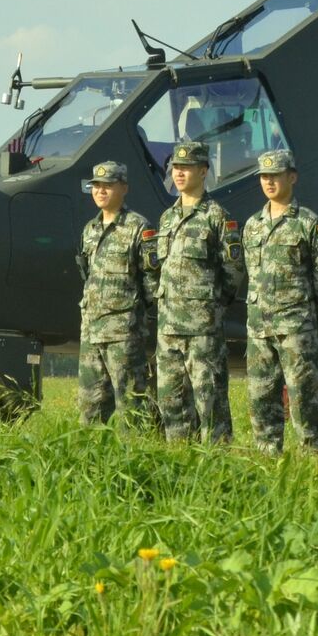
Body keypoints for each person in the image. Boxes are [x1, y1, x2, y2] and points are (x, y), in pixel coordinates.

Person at [242, 148, 318, 455]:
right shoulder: (252, 225)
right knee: (261, 397)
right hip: (259, 327)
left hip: (295, 327)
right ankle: (268, 457)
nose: (269, 182)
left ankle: (314, 458)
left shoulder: (309, 223)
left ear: (292, 177)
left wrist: (303, 302)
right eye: (264, 177)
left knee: (304, 397)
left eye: (276, 176)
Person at [154, 140, 245, 442]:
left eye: (186, 168)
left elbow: (233, 270)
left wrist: (213, 308)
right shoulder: (167, 218)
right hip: (169, 330)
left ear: (203, 170)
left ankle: (217, 466)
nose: (179, 173)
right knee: (172, 402)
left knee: (211, 403)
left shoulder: (217, 216)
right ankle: (180, 461)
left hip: (202, 329)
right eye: (175, 168)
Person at [75, 159, 157, 432]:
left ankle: (136, 457)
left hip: (124, 332)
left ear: (124, 188)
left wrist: (137, 317)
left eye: (108, 186)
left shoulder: (138, 227)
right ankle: (91, 460)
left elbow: (151, 280)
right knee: (90, 405)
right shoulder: (90, 229)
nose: (100, 191)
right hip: (92, 329)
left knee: (131, 404)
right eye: (96, 186)